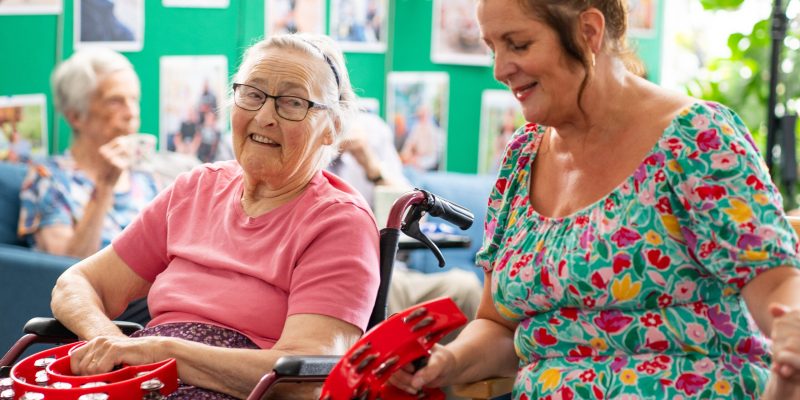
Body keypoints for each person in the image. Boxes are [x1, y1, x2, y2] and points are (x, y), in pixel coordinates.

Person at [391, 1, 800, 399]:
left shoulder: (697, 138)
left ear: (588, 31)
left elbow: (776, 285)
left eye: (517, 44)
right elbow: (500, 326)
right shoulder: (522, 156)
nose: (500, 69)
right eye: (491, 47)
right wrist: (446, 360)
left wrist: (792, 330)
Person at [49, 33, 380, 399]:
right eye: (252, 94)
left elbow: (304, 376)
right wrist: (108, 339)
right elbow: (75, 285)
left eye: (292, 102)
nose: (264, 116)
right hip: (145, 379)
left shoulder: (338, 222)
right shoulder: (196, 189)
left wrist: (164, 354)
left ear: (332, 127)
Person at [331, 111, 482, 333]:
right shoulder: (297, 140)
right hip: (348, 275)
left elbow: (415, 214)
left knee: (466, 288)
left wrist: (369, 163)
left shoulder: (372, 131)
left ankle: (458, 366)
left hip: (393, 272)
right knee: (369, 288)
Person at [18, 48, 159, 260]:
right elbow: (63, 270)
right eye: (115, 101)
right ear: (75, 116)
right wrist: (103, 189)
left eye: (134, 100)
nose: (132, 113)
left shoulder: (147, 176)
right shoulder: (49, 178)